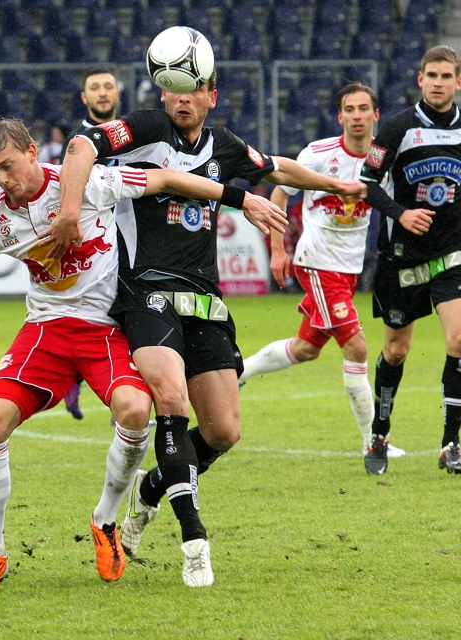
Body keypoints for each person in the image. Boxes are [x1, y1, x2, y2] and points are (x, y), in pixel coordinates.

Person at [0, 116, 283, 587]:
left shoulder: (85, 183)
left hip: (103, 331)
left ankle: (105, 521)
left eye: (9, 165)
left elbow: (167, 178)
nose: (5, 180)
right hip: (44, 331)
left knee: (135, 411)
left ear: (32, 151)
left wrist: (240, 197)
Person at [49, 68, 366, 586]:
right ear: (163, 94)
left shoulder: (224, 145)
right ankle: (194, 540)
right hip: (144, 289)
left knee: (224, 431)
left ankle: (152, 488)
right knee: (170, 400)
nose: (182, 99)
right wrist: (67, 211)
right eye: (173, 90)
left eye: (193, 91)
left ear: (210, 98)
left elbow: (276, 168)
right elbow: (83, 145)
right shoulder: (146, 127)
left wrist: (334, 183)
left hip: (203, 297)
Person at [239, 83, 405, 461]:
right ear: (341, 116)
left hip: (348, 268)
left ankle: (237, 373)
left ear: (376, 115)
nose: (358, 116)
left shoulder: (383, 159)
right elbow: (278, 191)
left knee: (306, 348)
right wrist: (277, 249)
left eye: (365, 109)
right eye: (350, 109)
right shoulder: (317, 154)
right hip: (317, 262)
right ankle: (373, 443)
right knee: (358, 347)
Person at [360, 45, 461, 475]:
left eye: (446, 76)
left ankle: (451, 444)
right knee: (396, 351)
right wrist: (401, 212)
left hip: (452, 252)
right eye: (432, 75)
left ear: (459, 82)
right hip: (403, 257)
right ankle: (378, 434)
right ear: (420, 79)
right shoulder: (399, 128)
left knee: (458, 341)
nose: (439, 83)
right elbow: (367, 182)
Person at [60, 68, 122, 420]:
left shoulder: (131, 135)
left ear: (117, 94)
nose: (102, 93)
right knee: (89, 315)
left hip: (129, 238)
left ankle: (121, 395)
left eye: (108, 87)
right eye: (95, 88)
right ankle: (75, 377)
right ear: (84, 98)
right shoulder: (78, 143)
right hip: (93, 240)